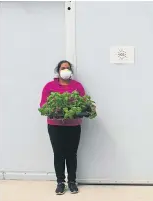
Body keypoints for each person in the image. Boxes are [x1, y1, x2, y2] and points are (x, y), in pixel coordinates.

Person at [40, 60, 85, 195]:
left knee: (72, 154)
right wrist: (55, 108)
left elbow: (83, 103)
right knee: (58, 154)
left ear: (71, 71)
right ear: (58, 71)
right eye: (63, 68)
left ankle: (72, 181)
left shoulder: (77, 86)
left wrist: (87, 108)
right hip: (55, 126)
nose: (65, 70)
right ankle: (60, 182)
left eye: (68, 68)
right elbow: (43, 105)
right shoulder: (49, 86)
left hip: (73, 125)